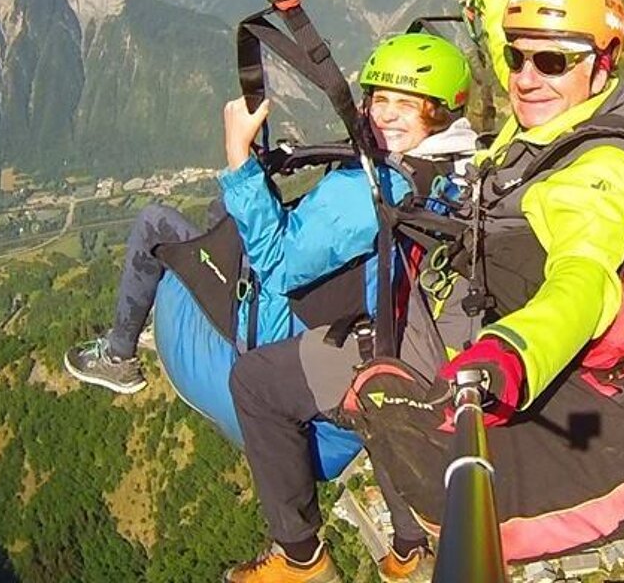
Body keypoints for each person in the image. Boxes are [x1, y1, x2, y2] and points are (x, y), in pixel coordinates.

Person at [229, 0, 624, 581]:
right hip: (448, 313)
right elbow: (508, 48)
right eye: (519, 57)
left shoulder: (595, 173)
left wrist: (514, 353)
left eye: (551, 62)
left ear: (603, 63)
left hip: (459, 346)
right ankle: (408, 546)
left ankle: (301, 559)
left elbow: (585, 279)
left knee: (258, 382)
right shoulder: (557, 118)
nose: (526, 78)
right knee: (377, 382)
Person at [62, 33, 476, 570]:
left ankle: (118, 357)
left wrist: (239, 158)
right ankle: (408, 547)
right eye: (380, 99)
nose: (386, 114)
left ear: (439, 113)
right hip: (386, 331)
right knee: (374, 378)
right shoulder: (455, 173)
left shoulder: (373, 189)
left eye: (408, 104)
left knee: (157, 222)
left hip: (283, 324)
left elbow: (279, 265)